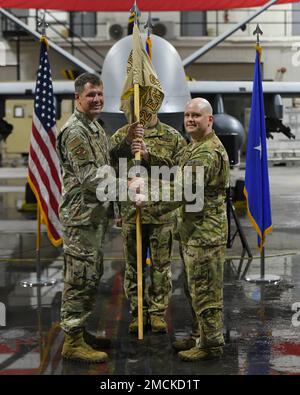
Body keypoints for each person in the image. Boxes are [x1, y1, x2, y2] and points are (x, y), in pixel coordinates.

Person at [110, 114, 186, 334]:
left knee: (161, 267)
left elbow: (179, 174)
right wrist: (117, 210)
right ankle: (138, 313)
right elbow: (113, 170)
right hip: (131, 211)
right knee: (133, 267)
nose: (143, 108)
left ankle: (157, 313)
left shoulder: (172, 137)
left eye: (148, 103)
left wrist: (149, 156)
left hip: (162, 214)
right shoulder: (122, 136)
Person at [57, 73, 112, 363]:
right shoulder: (76, 131)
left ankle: (80, 330)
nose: (97, 99)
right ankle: (72, 342)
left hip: (94, 216)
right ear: (78, 97)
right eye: (91, 95)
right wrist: (125, 185)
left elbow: (103, 163)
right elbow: (90, 176)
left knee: (91, 276)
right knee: (79, 279)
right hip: (80, 218)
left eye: (100, 94)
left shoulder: (94, 128)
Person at [172, 97, 230, 361]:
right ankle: (200, 335)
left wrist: (144, 193)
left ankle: (211, 344)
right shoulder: (193, 147)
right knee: (194, 288)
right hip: (192, 232)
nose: (190, 120)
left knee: (206, 291)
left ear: (210, 119)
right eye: (187, 115)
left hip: (205, 234)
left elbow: (183, 190)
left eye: (196, 115)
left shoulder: (207, 152)